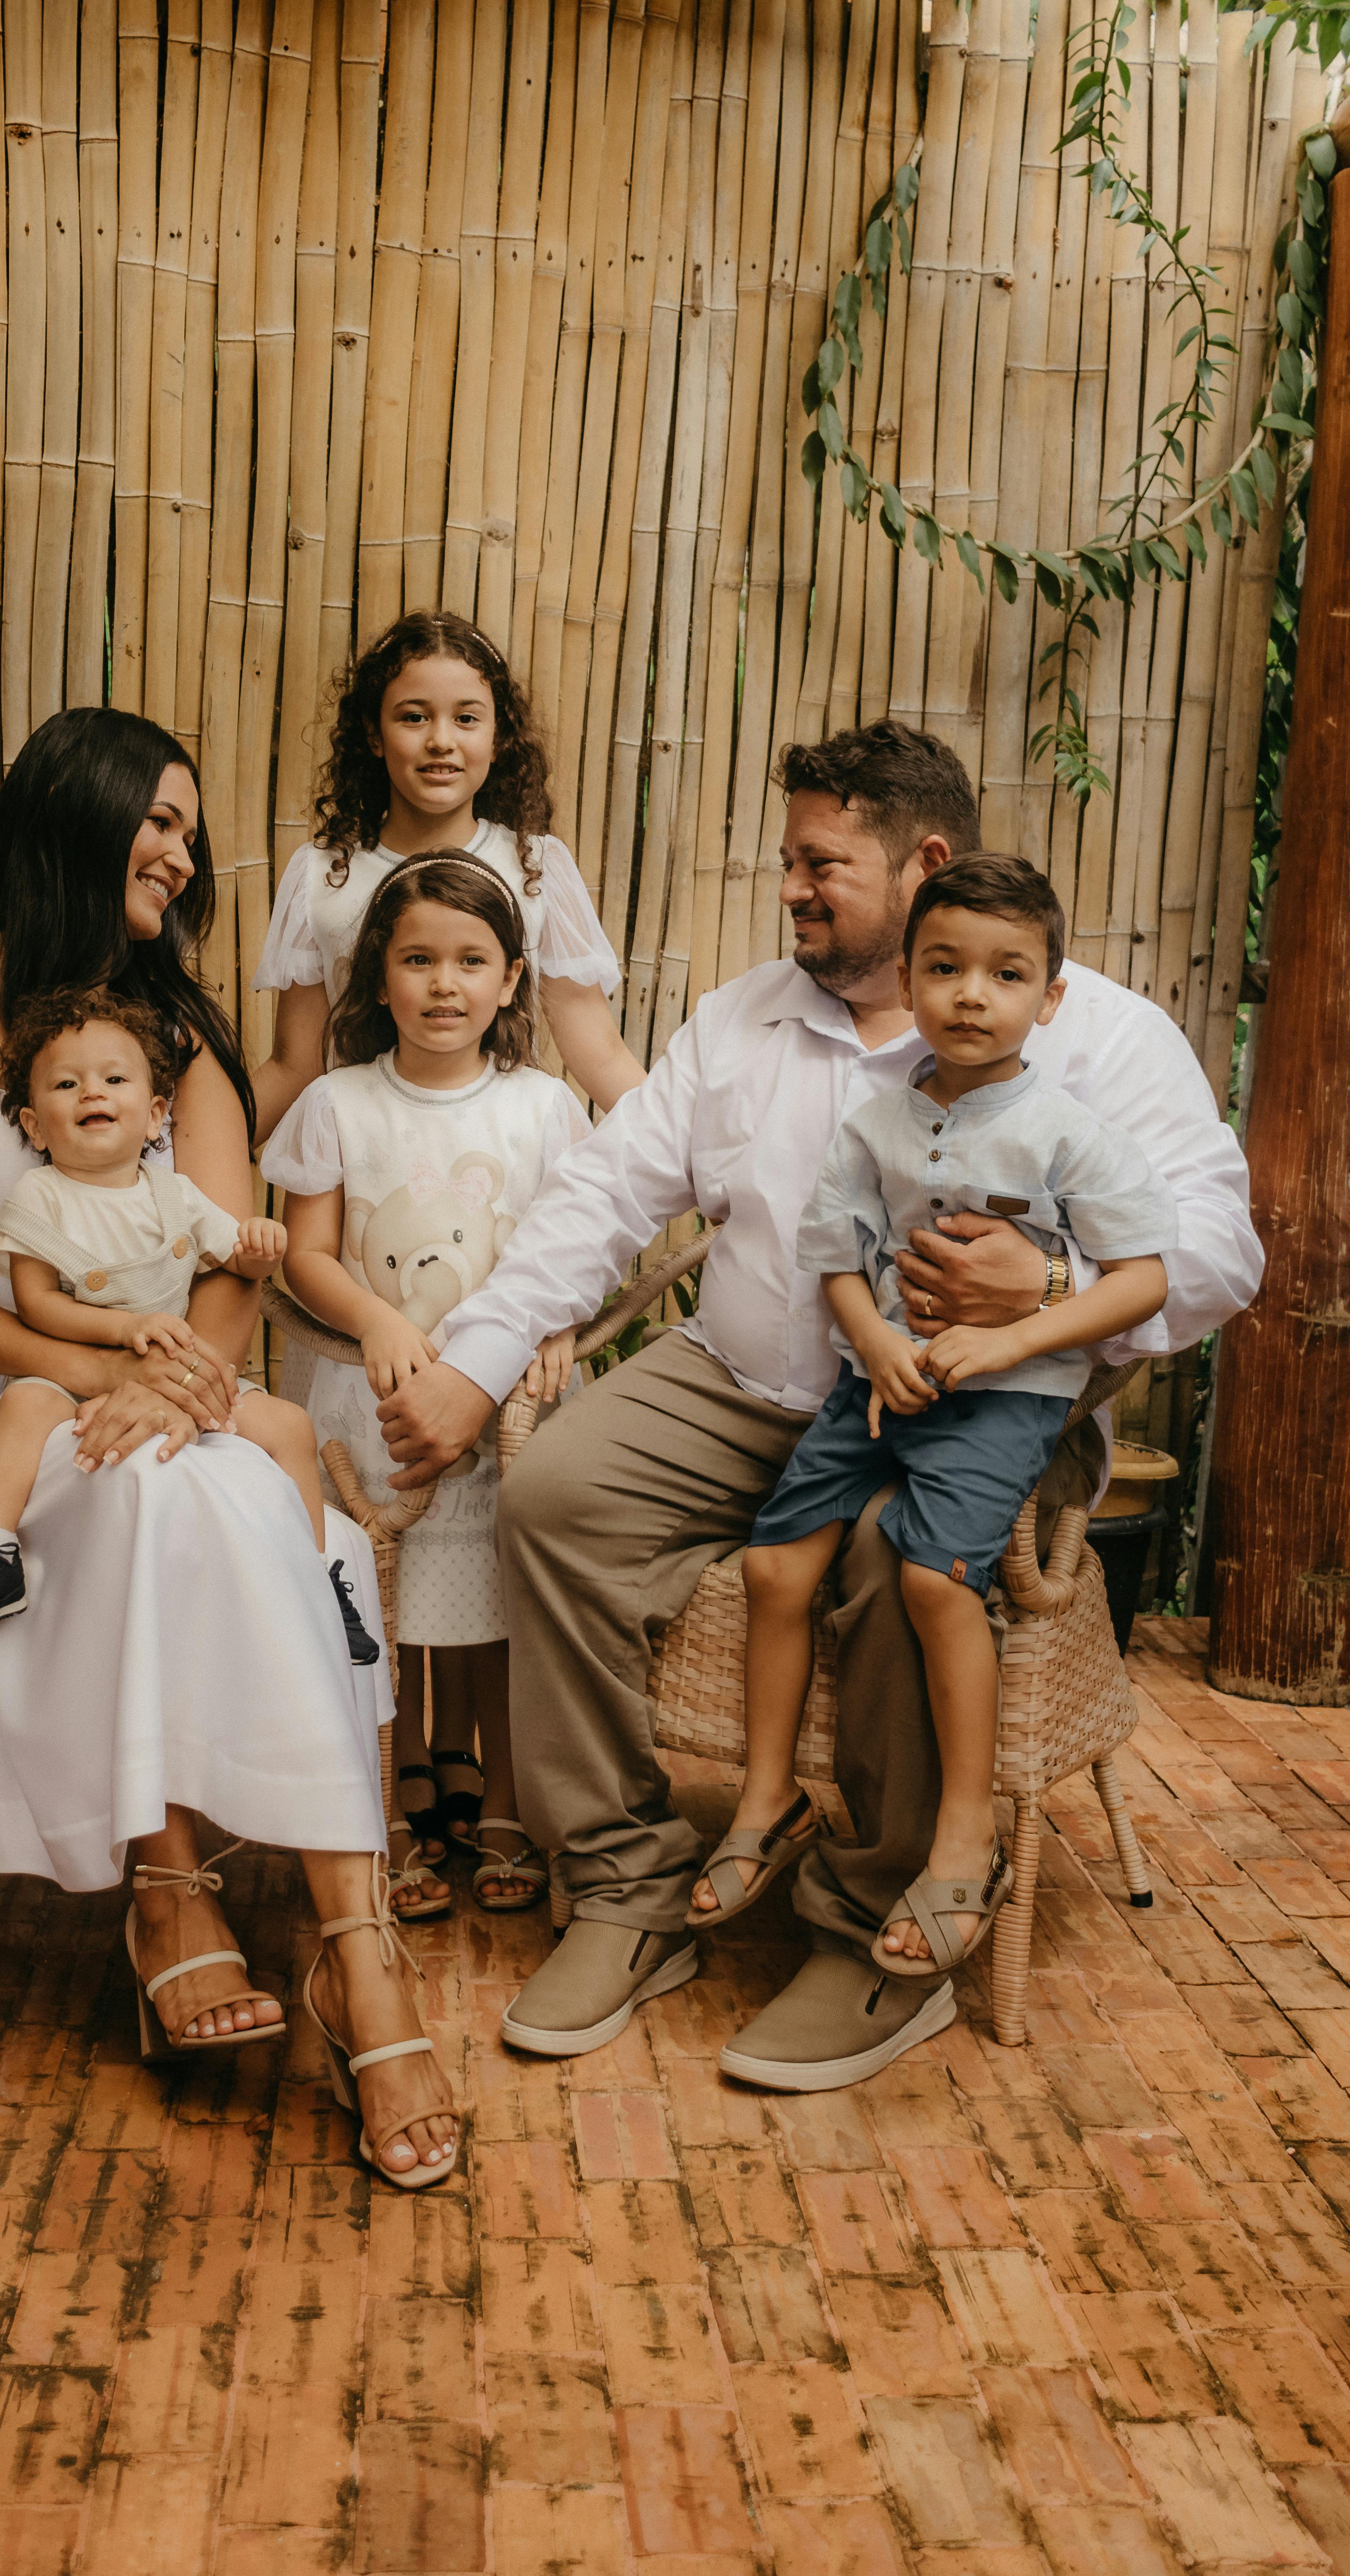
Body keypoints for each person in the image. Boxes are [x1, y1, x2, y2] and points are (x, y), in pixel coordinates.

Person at [374, 720, 1263, 2093]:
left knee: (890, 1558)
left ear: (925, 862)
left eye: (817, 863)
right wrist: (475, 1360)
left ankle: (873, 1931)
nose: (787, 887)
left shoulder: (1099, 1036)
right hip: (739, 1379)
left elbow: (1220, 1246)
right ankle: (624, 1886)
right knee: (552, 1495)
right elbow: (605, 1196)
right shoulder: (742, 1020)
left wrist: (1054, 1279)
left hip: (971, 1399)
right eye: (790, 860)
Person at [0, 706, 456, 2186]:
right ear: (73, 812)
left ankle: (345, 1948)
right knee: (176, 1499)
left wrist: (175, 1391)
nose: (181, 850)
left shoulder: (174, 1037)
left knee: (187, 1481)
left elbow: (232, 1267)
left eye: (187, 828)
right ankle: (174, 1888)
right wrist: (85, 1365)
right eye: (157, 820)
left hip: (158, 1395)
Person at [696, 854, 1173, 1980]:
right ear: (906, 981)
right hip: (887, 1383)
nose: (971, 995)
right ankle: (767, 1803)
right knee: (776, 1570)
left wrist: (1008, 1339)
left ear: (1048, 998)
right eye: (946, 968)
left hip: (1006, 1401)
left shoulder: (1065, 1131)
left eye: (1006, 975)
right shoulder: (877, 1123)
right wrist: (874, 1344)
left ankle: (965, 1834)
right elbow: (835, 1259)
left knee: (930, 1579)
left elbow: (1142, 1278)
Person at [265, 852, 587, 1920]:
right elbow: (308, 1251)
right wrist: (375, 1315)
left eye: (469, 961)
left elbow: (575, 1246)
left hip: (512, 1413)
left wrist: (557, 1327)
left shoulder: (544, 1110)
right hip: (370, 1394)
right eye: (417, 960)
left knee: (496, 1602)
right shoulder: (335, 1104)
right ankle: (387, 1809)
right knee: (381, 1599)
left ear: (510, 979)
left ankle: (499, 1800)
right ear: (377, 977)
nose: (444, 984)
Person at [0, 987, 377, 1665]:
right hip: (71, 1375)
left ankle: (317, 1578)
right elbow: (36, 1303)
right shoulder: (41, 1197)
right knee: (20, 1403)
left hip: (172, 1376)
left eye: (114, 1079)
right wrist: (123, 1330)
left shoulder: (175, 1194)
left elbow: (232, 1258)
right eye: (66, 1084)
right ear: (36, 1124)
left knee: (291, 1428)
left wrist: (258, 1245)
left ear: (157, 1114)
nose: (91, 1093)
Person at [250, 607, 644, 1145]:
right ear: (373, 732)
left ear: (499, 735)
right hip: (365, 1160)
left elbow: (600, 1053)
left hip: (504, 1155)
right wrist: (173, 1159)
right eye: (413, 717)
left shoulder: (535, 868)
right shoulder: (323, 876)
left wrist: (698, 1160)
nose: (441, 740)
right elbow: (295, 1066)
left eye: (466, 718)